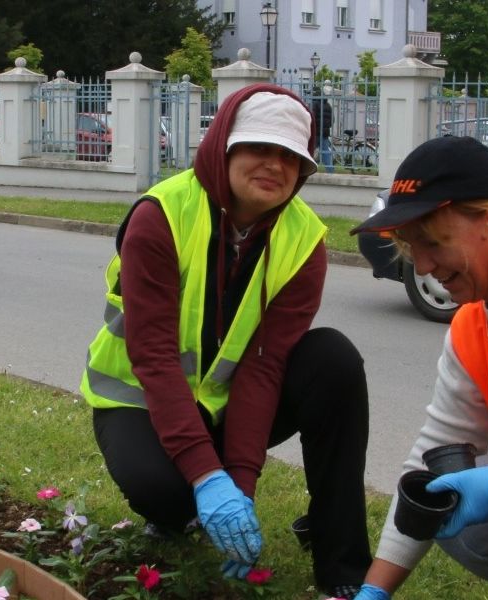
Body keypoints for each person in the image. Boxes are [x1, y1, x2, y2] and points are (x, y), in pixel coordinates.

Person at [80, 83, 372, 599]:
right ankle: (178, 508)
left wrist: (241, 483)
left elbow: (264, 365)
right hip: (140, 401)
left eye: (291, 156)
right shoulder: (162, 215)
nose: (275, 165)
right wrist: (206, 478)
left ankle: (341, 562)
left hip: (225, 405)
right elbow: (154, 356)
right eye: (259, 147)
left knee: (334, 360)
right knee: (166, 492)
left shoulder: (304, 239)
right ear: (224, 146)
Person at [350, 136, 488, 599]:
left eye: (433, 242)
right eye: (413, 248)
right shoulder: (472, 325)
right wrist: (375, 591)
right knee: (447, 499)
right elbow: (436, 449)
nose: (425, 266)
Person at [311, 91, 334, 173]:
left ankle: (307, 168)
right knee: (325, 152)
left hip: (316, 132)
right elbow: (333, 119)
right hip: (325, 133)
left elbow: (312, 117)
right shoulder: (328, 105)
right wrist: (327, 127)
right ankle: (330, 170)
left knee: (310, 150)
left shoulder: (315, 104)